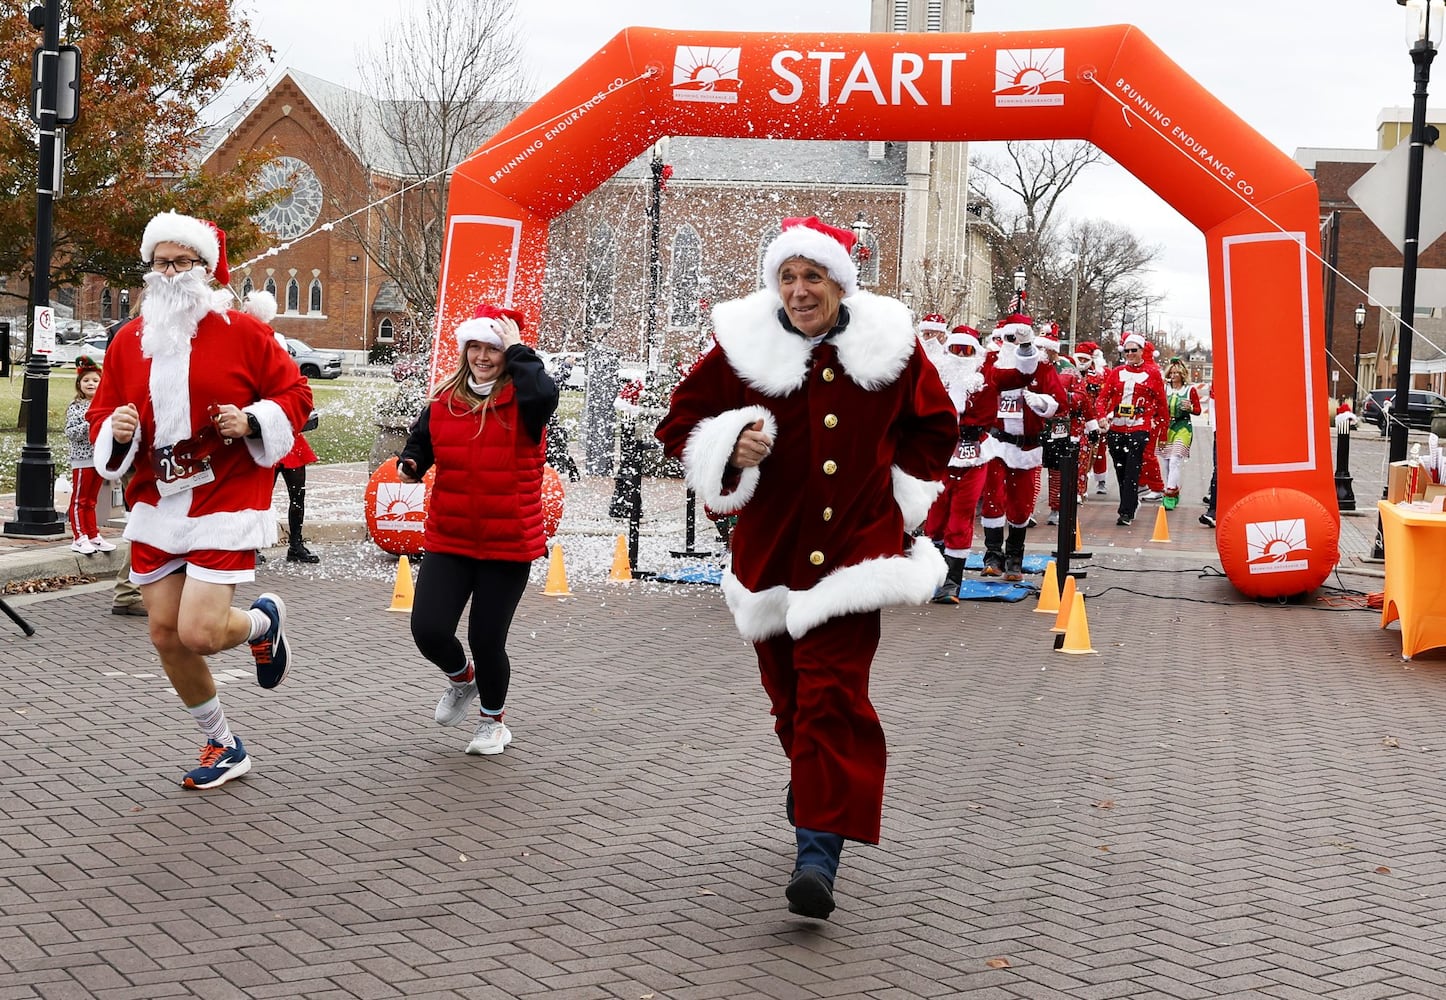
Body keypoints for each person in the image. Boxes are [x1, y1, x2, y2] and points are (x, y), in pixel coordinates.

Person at [655, 216, 957, 921]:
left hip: (856, 556)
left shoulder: (891, 349)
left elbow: (935, 428)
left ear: (839, 282)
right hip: (771, 558)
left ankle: (817, 854)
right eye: (787, 278)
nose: (799, 291)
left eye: (812, 277)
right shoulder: (740, 349)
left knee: (832, 697)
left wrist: (898, 498)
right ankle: (812, 783)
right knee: (791, 702)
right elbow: (679, 428)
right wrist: (730, 448)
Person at [87, 209, 313, 789]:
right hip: (157, 496)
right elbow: (103, 412)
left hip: (226, 493)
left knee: (201, 634)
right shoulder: (128, 341)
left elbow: (296, 395)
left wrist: (254, 419)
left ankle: (261, 625)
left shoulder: (243, 331)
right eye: (159, 262)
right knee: (164, 631)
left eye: (181, 261)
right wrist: (114, 432)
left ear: (204, 269)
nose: (168, 272)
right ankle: (222, 741)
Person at [397, 303, 559, 757]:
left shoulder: (526, 401)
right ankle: (461, 679)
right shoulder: (444, 400)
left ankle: (493, 722)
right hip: (451, 537)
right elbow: (421, 444)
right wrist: (412, 464)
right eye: (475, 346)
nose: (482, 356)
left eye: (492, 348)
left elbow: (544, 394)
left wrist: (518, 348)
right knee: (428, 630)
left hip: (509, 543)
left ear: (507, 352)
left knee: (487, 639)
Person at [924, 323, 1032, 602]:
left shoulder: (987, 375)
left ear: (976, 352)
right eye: (955, 349)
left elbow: (1021, 375)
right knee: (934, 518)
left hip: (975, 454)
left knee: (960, 516)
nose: (961, 355)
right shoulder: (936, 373)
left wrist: (1025, 346)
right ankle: (931, 573)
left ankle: (952, 581)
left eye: (967, 350)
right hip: (941, 454)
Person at [1099, 332, 1169, 526]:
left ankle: (1126, 512)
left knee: (1132, 469)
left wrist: (1162, 429)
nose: (1130, 354)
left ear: (1141, 351)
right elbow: (1103, 398)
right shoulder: (1117, 372)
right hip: (1117, 428)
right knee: (1121, 470)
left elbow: (1162, 404)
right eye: (1127, 351)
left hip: (1140, 427)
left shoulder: (1152, 373)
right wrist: (1101, 417)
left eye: (1134, 350)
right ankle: (1130, 501)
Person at [269, 328, 323, 563]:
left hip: (292, 443)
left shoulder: (293, 379)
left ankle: (295, 544)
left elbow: (303, 405)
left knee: (298, 496)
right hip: (268, 444)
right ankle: (251, 546)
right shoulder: (258, 377)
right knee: (260, 499)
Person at [103, 319, 144, 616]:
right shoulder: (127, 335)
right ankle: (128, 590)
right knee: (146, 521)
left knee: (145, 520)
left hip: (144, 442)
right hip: (137, 443)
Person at [64, 356, 116, 555]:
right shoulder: (76, 407)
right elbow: (71, 432)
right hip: (82, 458)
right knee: (80, 500)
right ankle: (79, 537)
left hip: (99, 457)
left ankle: (93, 534)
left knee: (92, 500)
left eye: (95, 380)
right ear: (79, 384)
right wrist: (91, 422)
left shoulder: (105, 404)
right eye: (86, 380)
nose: (91, 384)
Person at [1159, 359, 1202, 510]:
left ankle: (1169, 494)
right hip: (1165, 428)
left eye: (1177, 372)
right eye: (1172, 372)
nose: (1174, 375)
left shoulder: (1190, 390)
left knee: (1175, 460)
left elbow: (1198, 410)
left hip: (1183, 427)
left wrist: (1190, 407)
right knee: (1166, 463)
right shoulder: (1163, 388)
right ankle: (1174, 488)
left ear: (1183, 374)